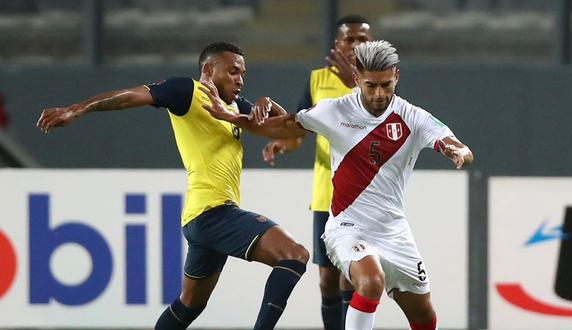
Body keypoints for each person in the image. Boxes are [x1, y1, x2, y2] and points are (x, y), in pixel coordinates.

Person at [201, 40, 474, 330]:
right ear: (356, 79)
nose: (379, 94)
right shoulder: (335, 111)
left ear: (397, 76)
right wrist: (234, 117)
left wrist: (456, 152)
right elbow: (286, 125)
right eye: (371, 86)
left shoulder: (412, 117)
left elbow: (460, 148)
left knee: (424, 315)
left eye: (386, 85)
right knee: (371, 281)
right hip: (347, 228)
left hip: (394, 231)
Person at [36, 41, 310, 330]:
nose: (239, 80)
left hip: (200, 219)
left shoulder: (236, 108)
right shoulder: (187, 91)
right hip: (213, 212)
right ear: (208, 69)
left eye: (242, 74)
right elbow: (131, 96)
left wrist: (271, 103)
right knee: (295, 255)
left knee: (189, 305)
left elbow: (292, 137)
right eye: (232, 72)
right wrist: (77, 109)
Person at [260, 14, 371, 330]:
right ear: (338, 44)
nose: (355, 45)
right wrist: (283, 143)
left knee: (352, 276)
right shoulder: (316, 80)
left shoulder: (376, 81)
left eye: (362, 39)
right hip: (326, 193)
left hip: (362, 193)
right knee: (327, 279)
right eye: (349, 38)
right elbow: (300, 131)